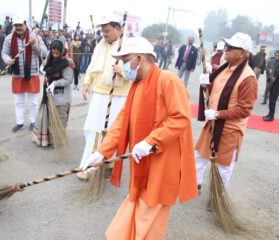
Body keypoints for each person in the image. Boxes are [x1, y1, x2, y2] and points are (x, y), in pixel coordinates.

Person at [80, 37, 197, 239]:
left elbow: (180, 118)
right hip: (141, 158)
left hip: (163, 160)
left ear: (139, 59)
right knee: (137, 200)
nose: (123, 66)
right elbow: (120, 123)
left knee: (150, 210)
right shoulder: (137, 86)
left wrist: (151, 141)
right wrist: (101, 152)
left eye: (125, 60)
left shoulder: (168, 80)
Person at [195, 32, 258, 203]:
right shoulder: (224, 68)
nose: (227, 50)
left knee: (223, 166)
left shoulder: (248, 77)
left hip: (229, 129)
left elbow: (244, 109)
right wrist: (205, 84)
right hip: (212, 123)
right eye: (227, 47)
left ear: (244, 53)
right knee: (199, 156)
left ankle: (217, 198)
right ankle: (196, 185)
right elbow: (214, 93)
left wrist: (218, 114)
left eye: (232, 48)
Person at [77, 15, 130, 180]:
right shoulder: (99, 46)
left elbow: (139, 72)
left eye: (107, 31)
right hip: (99, 93)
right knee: (90, 128)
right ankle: (104, 160)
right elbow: (93, 66)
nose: (104, 34)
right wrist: (87, 83)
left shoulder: (128, 46)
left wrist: (123, 71)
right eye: (103, 31)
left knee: (107, 132)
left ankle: (89, 167)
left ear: (118, 29)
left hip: (117, 95)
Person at [2, 17, 47, 132]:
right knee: (18, 101)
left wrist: (34, 44)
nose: (18, 27)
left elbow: (44, 52)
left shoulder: (35, 37)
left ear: (26, 25)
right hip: (17, 74)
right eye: (16, 25)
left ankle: (33, 122)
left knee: (33, 101)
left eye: (20, 25)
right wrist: (7, 60)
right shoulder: (9, 38)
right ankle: (19, 122)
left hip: (32, 73)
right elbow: (4, 53)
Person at [32, 40, 74, 146]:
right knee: (50, 119)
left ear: (61, 52)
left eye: (57, 53)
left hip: (62, 97)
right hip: (49, 95)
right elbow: (46, 66)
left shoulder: (67, 62)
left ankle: (58, 141)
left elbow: (68, 80)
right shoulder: (50, 56)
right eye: (53, 52)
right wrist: (43, 68)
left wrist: (55, 83)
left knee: (60, 120)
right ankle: (50, 140)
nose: (55, 55)